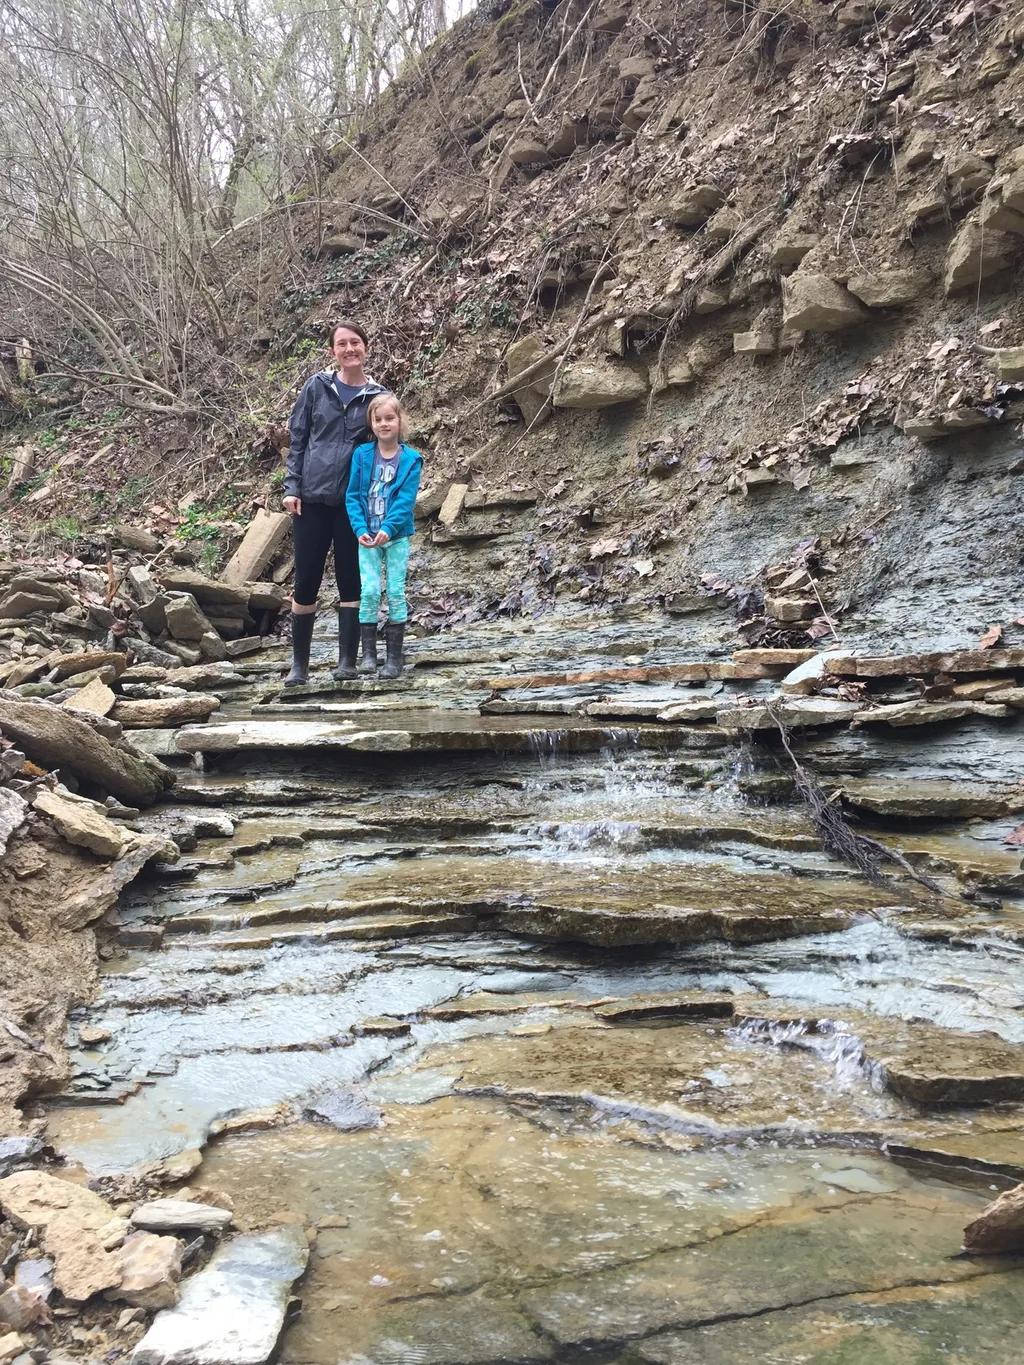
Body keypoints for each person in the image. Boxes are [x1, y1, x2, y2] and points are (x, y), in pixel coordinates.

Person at [281, 321, 389, 686]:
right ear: (333, 352)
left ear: (366, 347)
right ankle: (300, 666)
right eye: (342, 344)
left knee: (350, 580)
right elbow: (298, 439)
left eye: (355, 342)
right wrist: (291, 487)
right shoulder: (316, 387)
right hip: (310, 498)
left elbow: (386, 449)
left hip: (353, 503)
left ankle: (346, 662)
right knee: (307, 579)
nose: (349, 349)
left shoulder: (377, 396)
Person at [345, 394, 423, 679]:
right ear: (371, 423)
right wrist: (360, 529)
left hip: (396, 536)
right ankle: (368, 655)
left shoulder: (412, 460)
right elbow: (352, 496)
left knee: (395, 592)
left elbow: (405, 500)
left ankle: (394, 658)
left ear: (399, 421)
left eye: (389, 418)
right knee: (369, 591)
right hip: (366, 538)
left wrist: (387, 529)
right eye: (378, 419)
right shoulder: (362, 455)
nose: (383, 424)